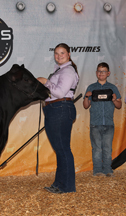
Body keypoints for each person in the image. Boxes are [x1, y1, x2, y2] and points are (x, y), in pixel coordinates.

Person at [37, 43, 79, 194]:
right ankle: (59, 183)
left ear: (68, 54)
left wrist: (45, 81)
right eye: (56, 53)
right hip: (55, 109)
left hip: (60, 108)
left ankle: (67, 186)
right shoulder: (59, 70)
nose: (59, 56)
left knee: (63, 149)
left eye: (62, 53)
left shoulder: (68, 71)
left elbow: (60, 93)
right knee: (60, 149)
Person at [83, 62, 122, 177]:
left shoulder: (112, 88)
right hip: (95, 123)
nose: (101, 73)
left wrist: (115, 100)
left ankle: (108, 169)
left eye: (104, 71)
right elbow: (86, 105)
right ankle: (97, 170)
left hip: (109, 123)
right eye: (99, 71)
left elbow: (119, 105)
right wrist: (86, 96)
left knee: (107, 148)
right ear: (96, 73)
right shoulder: (91, 87)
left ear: (108, 73)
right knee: (97, 148)